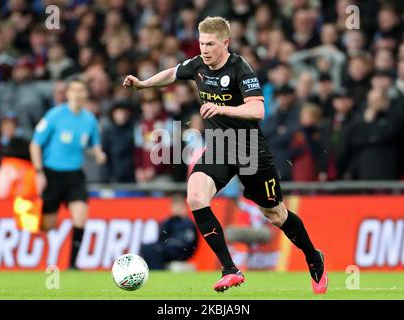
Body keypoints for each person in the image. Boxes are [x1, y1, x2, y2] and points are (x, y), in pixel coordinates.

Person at [123, 16, 328, 293]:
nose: (204, 49)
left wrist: (223, 109)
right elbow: (173, 73)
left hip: (250, 148)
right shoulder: (197, 65)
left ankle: (314, 258)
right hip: (220, 145)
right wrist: (144, 84)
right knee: (195, 196)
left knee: (275, 214)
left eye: (210, 44)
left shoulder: (240, 68)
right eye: (201, 43)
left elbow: (258, 110)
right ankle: (230, 269)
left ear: (225, 43)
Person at [29, 79, 106, 269]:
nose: (78, 95)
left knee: (80, 217)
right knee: (48, 224)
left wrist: (98, 154)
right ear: (68, 94)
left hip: (74, 175)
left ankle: (73, 264)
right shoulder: (55, 115)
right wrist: (39, 172)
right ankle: (45, 261)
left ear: (86, 95)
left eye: (82, 91)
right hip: (52, 173)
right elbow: (35, 144)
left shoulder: (90, 119)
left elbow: (94, 144)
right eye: (75, 90)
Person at [140, 193, 198, 270]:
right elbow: (161, 238)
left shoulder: (188, 223)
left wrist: (169, 244)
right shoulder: (168, 222)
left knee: (157, 250)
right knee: (146, 247)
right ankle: (151, 271)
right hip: (168, 248)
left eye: (179, 206)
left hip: (181, 251)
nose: (177, 209)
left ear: (185, 208)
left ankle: (158, 271)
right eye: (175, 206)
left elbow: (188, 243)